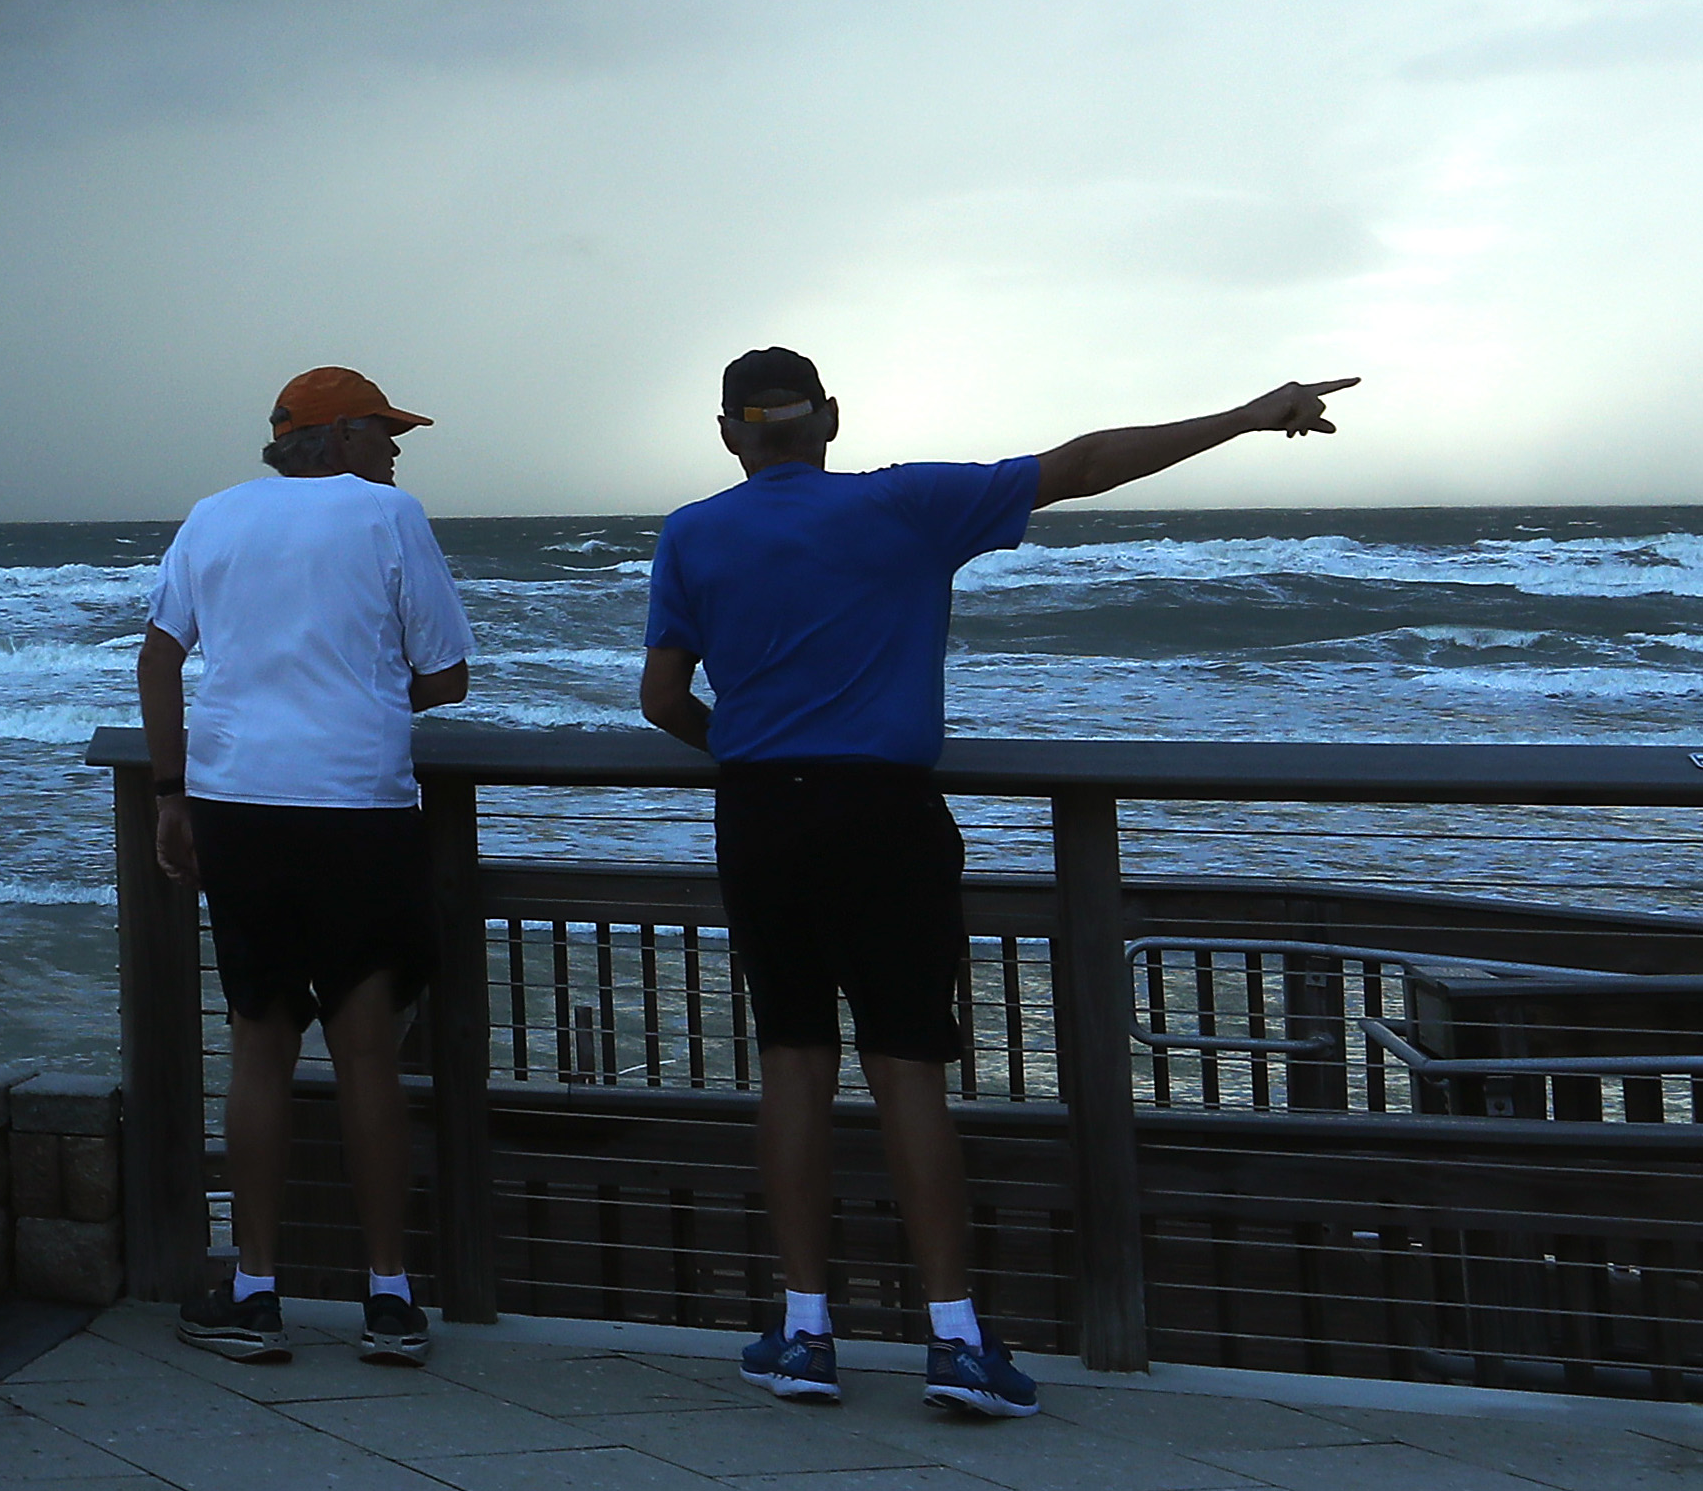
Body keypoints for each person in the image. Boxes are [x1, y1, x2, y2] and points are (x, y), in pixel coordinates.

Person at [639, 347, 1354, 1422]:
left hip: (759, 813)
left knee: (790, 1062)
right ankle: (955, 1341)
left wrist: (746, 748)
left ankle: (800, 1333)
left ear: (730, 433)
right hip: (881, 812)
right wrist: (1249, 415)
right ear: (828, 419)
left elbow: (659, 700)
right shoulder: (911, 503)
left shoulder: (691, 532)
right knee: (906, 1072)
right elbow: (1083, 464)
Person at [139, 365, 476, 1370]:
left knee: (258, 1048)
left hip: (238, 806)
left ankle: (252, 1291)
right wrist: (362, 702)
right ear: (334, 440)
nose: (396, 450)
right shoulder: (387, 516)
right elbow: (446, 673)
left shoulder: (210, 517)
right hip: (356, 810)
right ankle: (387, 1299)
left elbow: (159, 658)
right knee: (367, 1049)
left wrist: (168, 793)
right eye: (383, 431)